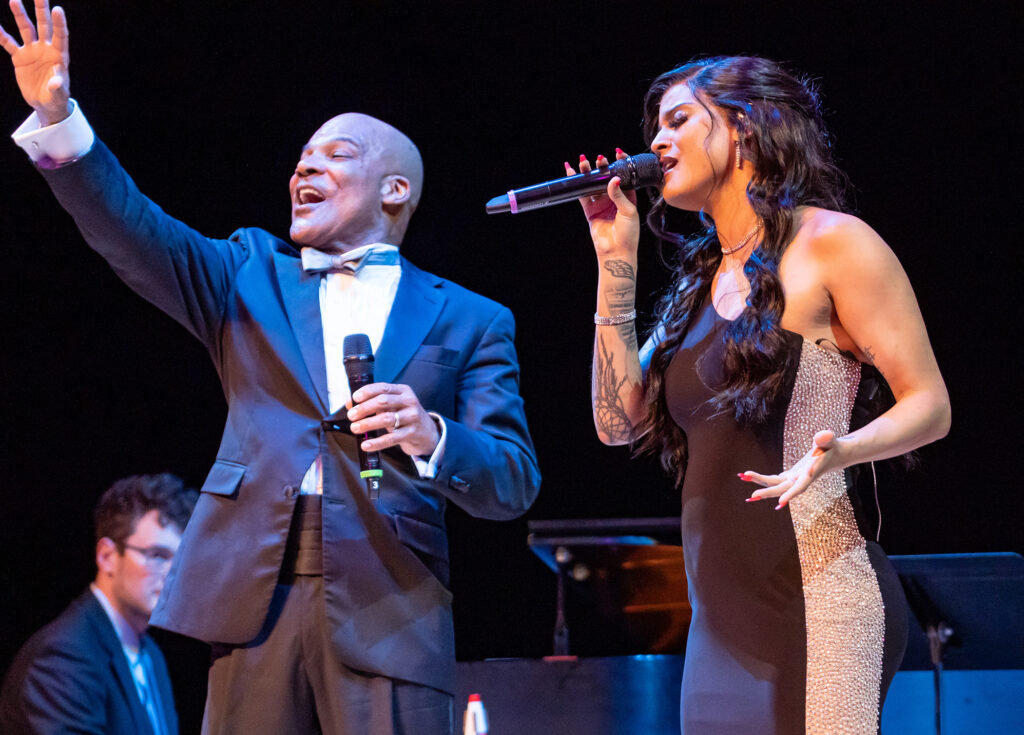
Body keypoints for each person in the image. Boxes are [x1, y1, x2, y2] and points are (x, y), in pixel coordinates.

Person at [1, 2, 541, 733]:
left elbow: (511, 479)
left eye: (337, 153)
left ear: (396, 190)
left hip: (393, 605)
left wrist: (431, 432)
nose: (306, 165)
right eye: (302, 158)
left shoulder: (473, 318)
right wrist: (60, 117)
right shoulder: (245, 273)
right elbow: (131, 230)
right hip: (254, 595)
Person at [570, 56, 951, 734]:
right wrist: (613, 259)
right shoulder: (697, 283)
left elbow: (929, 403)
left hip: (822, 595)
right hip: (720, 623)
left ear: (744, 128)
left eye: (679, 120)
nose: (656, 143)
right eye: (654, 126)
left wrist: (841, 451)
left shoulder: (832, 243)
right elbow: (615, 421)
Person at [0, 473, 198, 735]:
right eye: (157, 556)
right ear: (106, 556)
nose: (174, 573)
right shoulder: (63, 656)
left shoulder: (151, 653)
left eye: (180, 559)